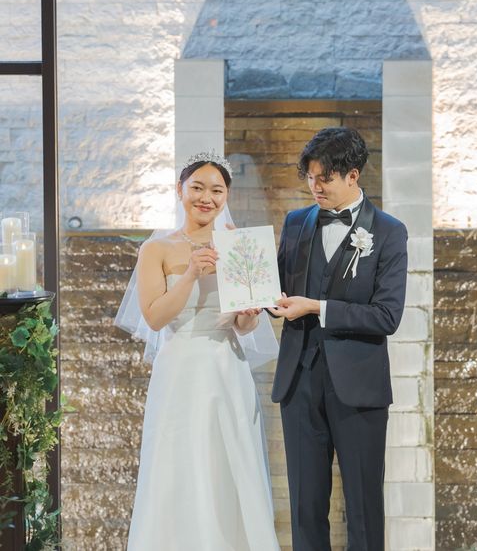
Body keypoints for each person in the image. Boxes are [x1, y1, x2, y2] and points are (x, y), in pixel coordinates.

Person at [116, 153, 280, 551]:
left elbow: (245, 325)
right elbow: (155, 318)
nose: (206, 198)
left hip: (227, 367)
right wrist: (190, 273)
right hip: (180, 369)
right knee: (178, 464)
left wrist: (249, 315)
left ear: (226, 196)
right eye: (197, 188)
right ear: (180, 190)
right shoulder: (156, 249)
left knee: (230, 462)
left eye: (217, 191)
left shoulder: (240, 244)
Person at [270, 128, 408, 551]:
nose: (315, 187)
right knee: (305, 507)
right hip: (299, 381)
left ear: (352, 175)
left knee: (363, 508)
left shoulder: (388, 231)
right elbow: (277, 291)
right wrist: (251, 292)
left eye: (325, 178)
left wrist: (317, 307)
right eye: (310, 177)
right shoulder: (296, 223)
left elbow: (387, 316)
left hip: (359, 387)